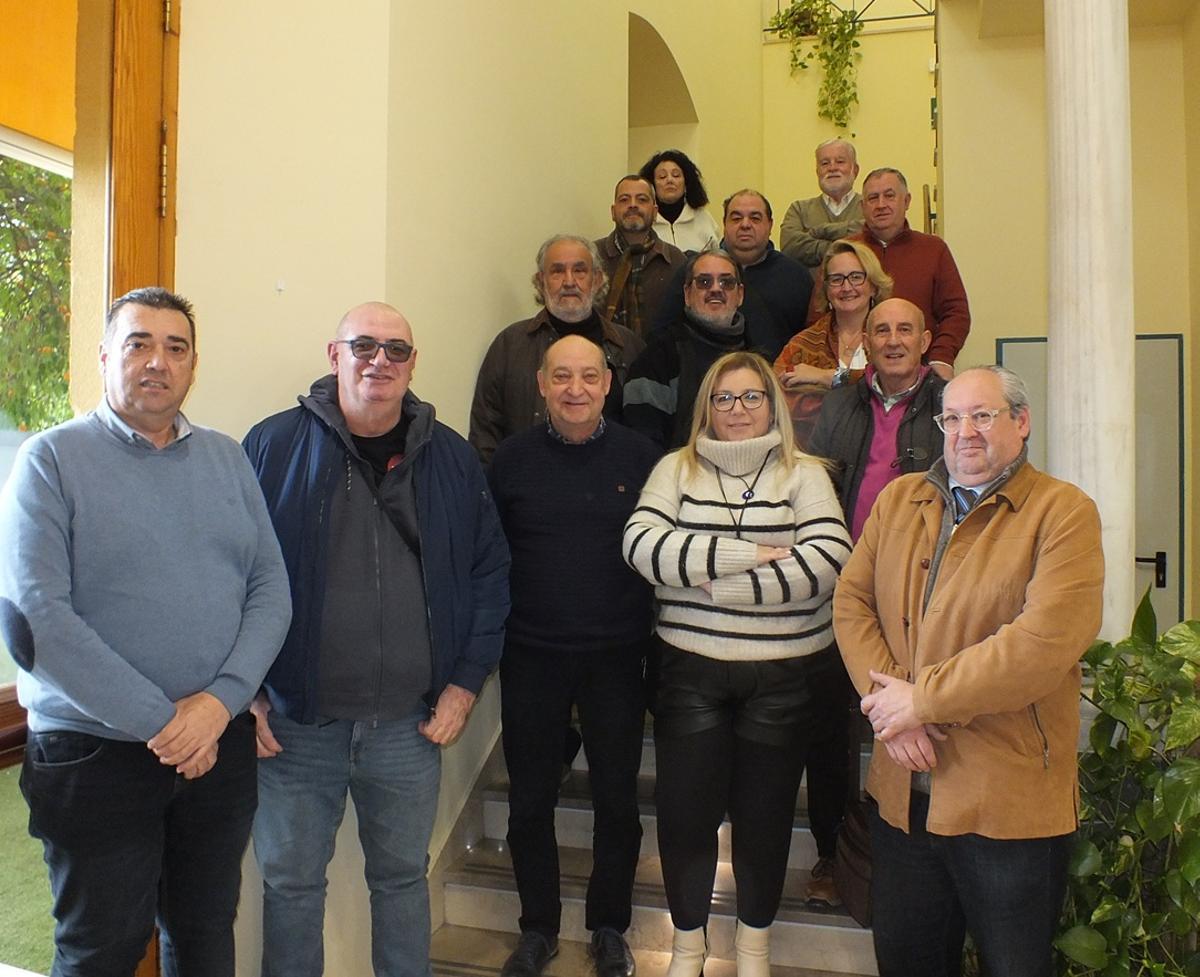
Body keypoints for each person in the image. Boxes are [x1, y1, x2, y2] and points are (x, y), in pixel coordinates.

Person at [0, 287, 292, 977]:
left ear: (193, 365)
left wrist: (217, 704)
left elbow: (271, 590)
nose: (157, 361)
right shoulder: (50, 461)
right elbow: (36, 620)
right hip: (95, 758)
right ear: (105, 357)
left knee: (203, 935)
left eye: (175, 346)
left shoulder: (227, 458)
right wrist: (168, 722)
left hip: (217, 750)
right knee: (101, 949)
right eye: (138, 343)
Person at [243, 302, 510, 977]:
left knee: (400, 882)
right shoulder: (272, 446)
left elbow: (488, 571)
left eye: (396, 349)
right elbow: (229, 572)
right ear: (334, 354)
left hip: (408, 726)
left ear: (413, 364)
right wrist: (239, 689)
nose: (379, 360)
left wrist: (465, 682)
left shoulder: (449, 457)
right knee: (292, 887)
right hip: (296, 725)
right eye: (363, 345)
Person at [833, 365, 1104, 977]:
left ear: (1021, 422)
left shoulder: (1063, 513)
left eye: (983, 416)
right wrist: (894, 713)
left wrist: (919, 702)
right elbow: (852, 602)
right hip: (903, 799)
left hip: (1006, 806)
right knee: (907, 962)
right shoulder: (900, 499)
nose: (965, 433)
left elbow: (1041, 644)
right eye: (952, 418)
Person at [623, 352, 852, 977]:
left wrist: (706, 577)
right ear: (706, 408)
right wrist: (756, 553)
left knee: (764, 820)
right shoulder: (675, 468)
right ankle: (686, 949)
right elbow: (643, 547)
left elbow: (827, 562)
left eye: (751, 397)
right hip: (689, 670)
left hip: (783, 674)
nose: (738, 410)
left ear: (772, 404)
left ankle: (753, 952)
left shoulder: (805, 474)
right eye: (724, 399)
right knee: (685, 818)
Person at [489, 335, 661, 977]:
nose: (575, 389)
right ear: (541, 384)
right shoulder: (510, 461)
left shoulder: (644, 458)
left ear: (608, 384)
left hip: (618, 653)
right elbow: (491, 556)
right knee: (530, 799)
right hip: (531, 652)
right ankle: (537, 927)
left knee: (616, 799)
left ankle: (609, 925)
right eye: (562, 376)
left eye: (589, 376)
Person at [469, 234, 645, 467]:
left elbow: (643, 433)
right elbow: (484, 436)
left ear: (598, 279)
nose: (569, 281)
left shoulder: (629, 346)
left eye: (580, 270)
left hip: (613, 489)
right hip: (527, 490)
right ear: (541, 281)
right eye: (557, 271)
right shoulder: (509, 346)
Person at [809, 296, 946, 541]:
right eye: (882, 331)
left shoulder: (950, 407)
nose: (893, 341)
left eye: (904, 330)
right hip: (848, 559)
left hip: (925, 562)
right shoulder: (836, 406)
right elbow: (814, 487)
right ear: (866, 343)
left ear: (924, 342)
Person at [833, 167, 970, 379]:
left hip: (920, 374)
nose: (881, 205)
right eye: (872, 198)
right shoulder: (845, 252)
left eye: (889, 196)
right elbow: (821, 313)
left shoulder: (933, 249)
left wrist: (941, 358)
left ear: (906, 201)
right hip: (853, 377)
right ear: (862, 206)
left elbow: (956, 313)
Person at [651, 189, 813, 362]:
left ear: (770, 225)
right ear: (724, 224)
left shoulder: (795, 276)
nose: (745, 225)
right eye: (736, 218)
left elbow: (808, 342)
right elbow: (662, 333)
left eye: (755, 218)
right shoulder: (694, 271)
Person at [622, 248, 748, 450]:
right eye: (704, 282)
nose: (716, 289)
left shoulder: (758, 354)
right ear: (687, 295)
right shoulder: (656, 360)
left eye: (727, 282)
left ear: (740, 295)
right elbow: (643, 448)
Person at [773, 238, 892, 449]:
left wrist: (826, 378)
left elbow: (894, 381)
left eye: (856, 277)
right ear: (826, 289)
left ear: (873, 286)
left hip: (883, 449)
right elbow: (777, 399)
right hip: (814, 452)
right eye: (837, 279)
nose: (846, 287)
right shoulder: (802, 344)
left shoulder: (891, 337)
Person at [595, 174, 686, 337]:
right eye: (624, 200)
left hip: (657, 359)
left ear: (655, 211)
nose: (632, 205)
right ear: (613, 212)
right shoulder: (592, 257)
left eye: (642, 199)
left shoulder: (676, 261)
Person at [780, 138, 865, 269]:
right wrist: (845, 248)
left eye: (840, 162)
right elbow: (790, 247)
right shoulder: (799, 209)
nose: (832, 168)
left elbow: (872, 240)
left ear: (855, 170)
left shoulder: (870, 206)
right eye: (825, 163)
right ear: (817, 171)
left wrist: (819, 232)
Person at [638, 149, 721, 252]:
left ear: (686, 182)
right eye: (662, 176)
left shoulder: (703, 218)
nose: (669, 180)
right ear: (652, 185)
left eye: (676, 175)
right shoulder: (644, 221)